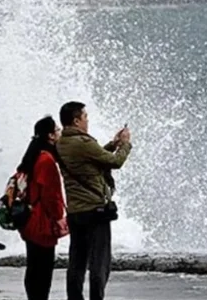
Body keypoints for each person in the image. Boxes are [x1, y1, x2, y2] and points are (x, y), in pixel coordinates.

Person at [56, 101, 132, 300]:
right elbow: (115, 162)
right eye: (85, 117)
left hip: (75, 212)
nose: (87, 121)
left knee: (77, 263)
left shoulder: (61, 143)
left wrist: (112, 144)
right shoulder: (83, 142)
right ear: (76, 120)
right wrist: (124, 144)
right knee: (99, 263)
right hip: (94, 212)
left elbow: (91, 159)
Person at [17, 115, 68, 300]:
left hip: (28, 220)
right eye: (57, 130)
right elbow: (52, 197)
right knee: (44, 270)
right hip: (42, 223)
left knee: (33, 266)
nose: (60, 132)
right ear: (50, 136)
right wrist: (58, 216)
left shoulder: (32, 157)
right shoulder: (47, 161)